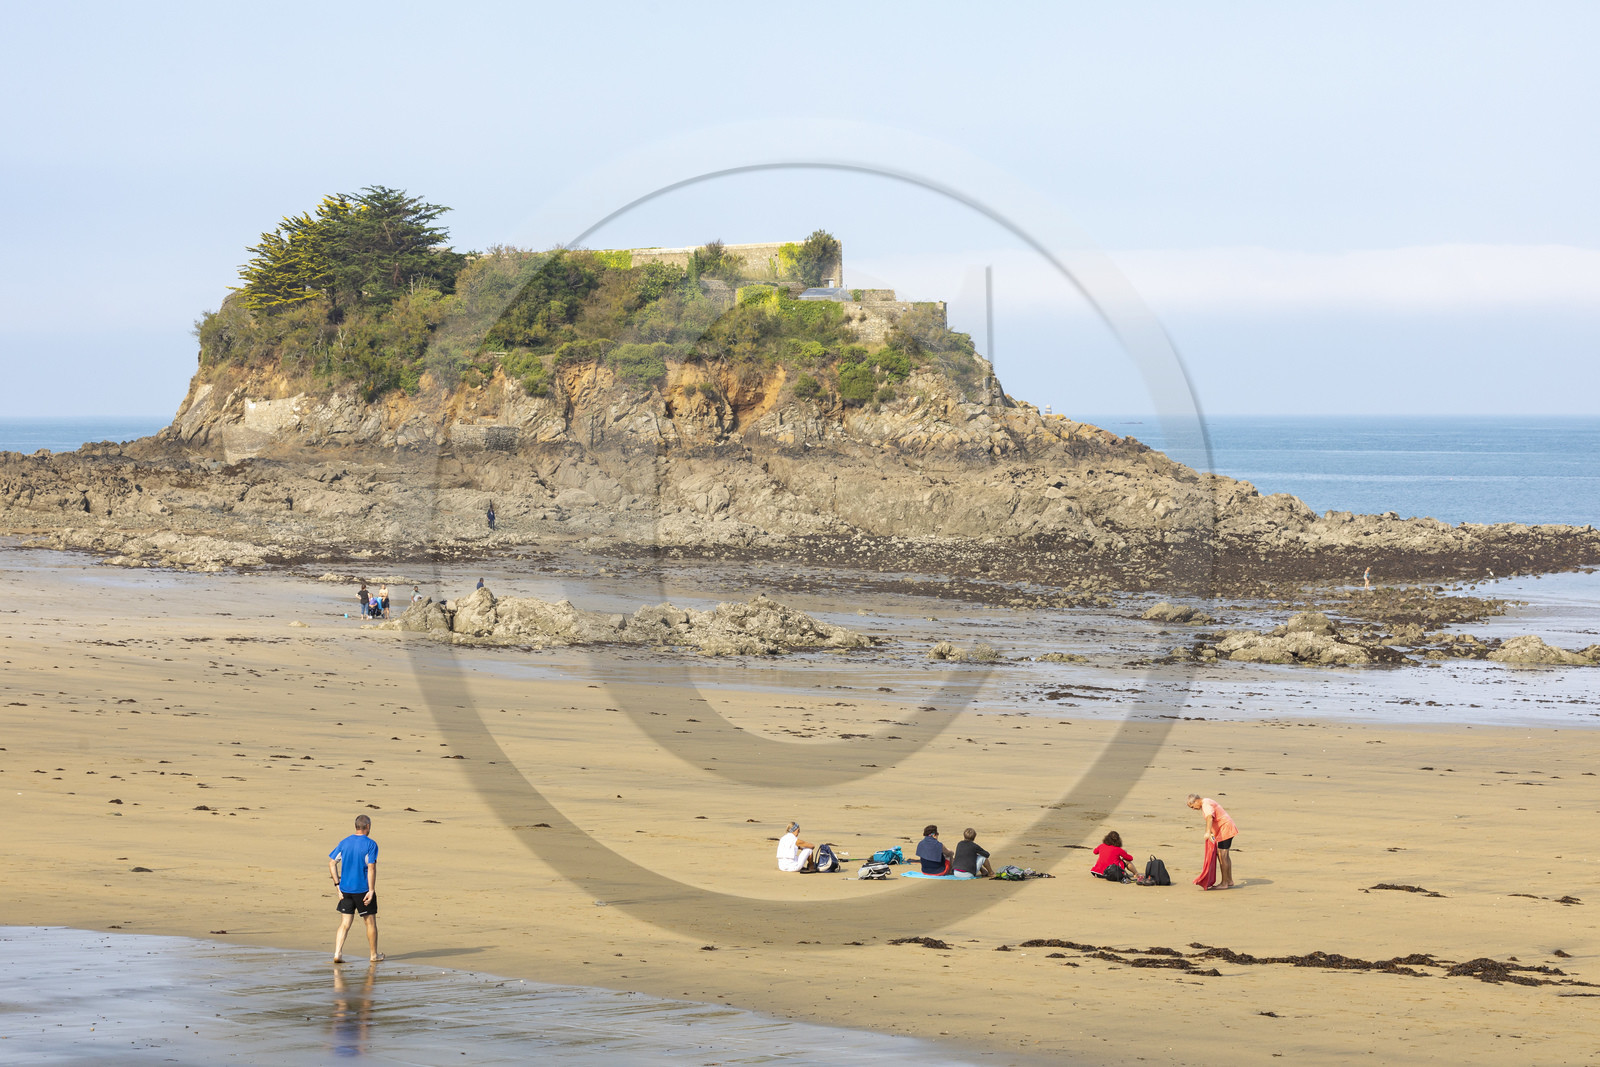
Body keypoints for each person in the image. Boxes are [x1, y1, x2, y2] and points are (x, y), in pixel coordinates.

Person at [328, 814, 383, 962]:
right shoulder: (371, 844)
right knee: (370, 922)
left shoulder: (344, 842)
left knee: (345, 923)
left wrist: (337, 886)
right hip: (363, 890)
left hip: (345, 890)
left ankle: (337, 953)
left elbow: (332, 863)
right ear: (368, 827)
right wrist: (371, 890)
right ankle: (373, 955)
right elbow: (371, 867)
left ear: (356, 826)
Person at [1187, 793, 1239, 889]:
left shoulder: (1206, 804)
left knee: (1222, 855)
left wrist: (1207, 832)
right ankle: (1229, 880)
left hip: (1226, 828)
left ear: (1196, 801)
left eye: (1192, 806)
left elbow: (1210, 818)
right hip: (1226, 828)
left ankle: (1224, 883)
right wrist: (1211, 832)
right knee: (1225, 855)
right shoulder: (1206, 802)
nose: (1193, 809)